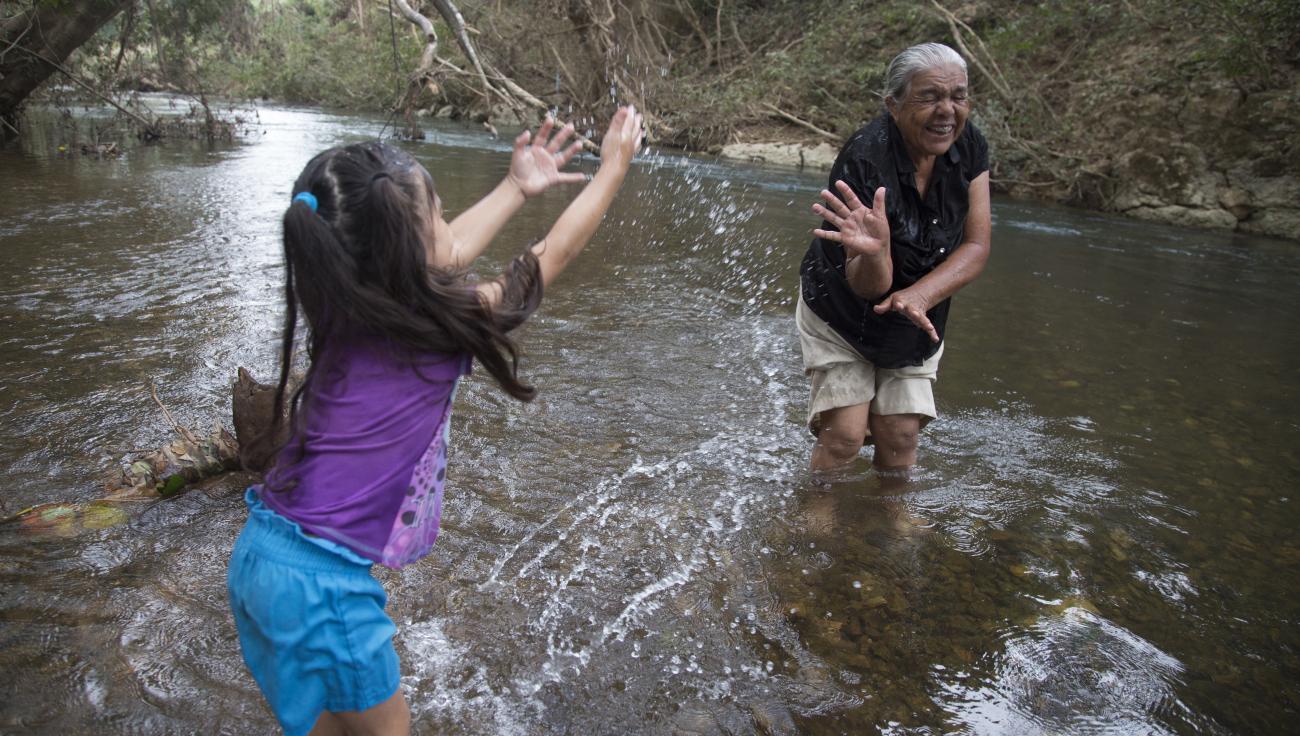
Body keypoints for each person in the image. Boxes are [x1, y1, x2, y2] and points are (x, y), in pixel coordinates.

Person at [226, 106, 644, 736]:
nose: (451, 230)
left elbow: (439, 257)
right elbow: (552, 253)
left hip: (260, 558)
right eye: (441, 216)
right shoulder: (438, 331)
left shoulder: (340, 304)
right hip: (325, 588)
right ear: (402, 253)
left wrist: (515, 188)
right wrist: (613, 168)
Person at [798, 42, 991, 475]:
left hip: (920, 307)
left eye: (958, 96)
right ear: (893, 105)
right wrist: (877, 252)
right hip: (841, 305)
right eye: (929, 97)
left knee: (901, 436)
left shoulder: (970, 145)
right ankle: (815, 506)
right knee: (845, 437)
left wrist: (920, 295)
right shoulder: (865, 158)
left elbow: (976, 246)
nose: (947, 111)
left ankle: (890, 512)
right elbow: (867, 286)